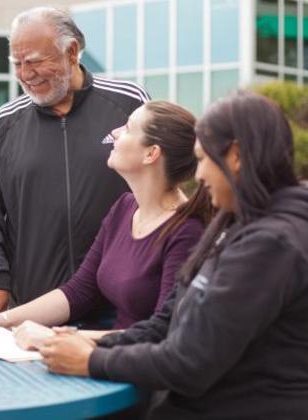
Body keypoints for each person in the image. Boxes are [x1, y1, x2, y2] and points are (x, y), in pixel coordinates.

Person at [38, 91, 308, 419]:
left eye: (204, 159)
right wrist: (89, 345)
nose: (199, 175)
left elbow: (191, 362)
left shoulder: (272, 244)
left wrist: (91, 361)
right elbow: (166, 322)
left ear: (235, 156)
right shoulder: (235, 224)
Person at [0, 101, 210, 345]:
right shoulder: (124, 208)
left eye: (128, 128)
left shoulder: (187, 232)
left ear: (151, 153)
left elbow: (163, 333)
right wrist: (0, 320)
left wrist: (56, 337)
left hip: (140, 372)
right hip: (108, 362)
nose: (115, 132)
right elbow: (79, 291)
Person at [0, 6, 150, 316]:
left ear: (72, 52)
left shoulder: (130, 102)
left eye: (35, 61)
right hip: (34, 307)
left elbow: (163, 182)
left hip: (121, 306)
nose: (25, 74)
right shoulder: (5, 122)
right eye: (17, 64)